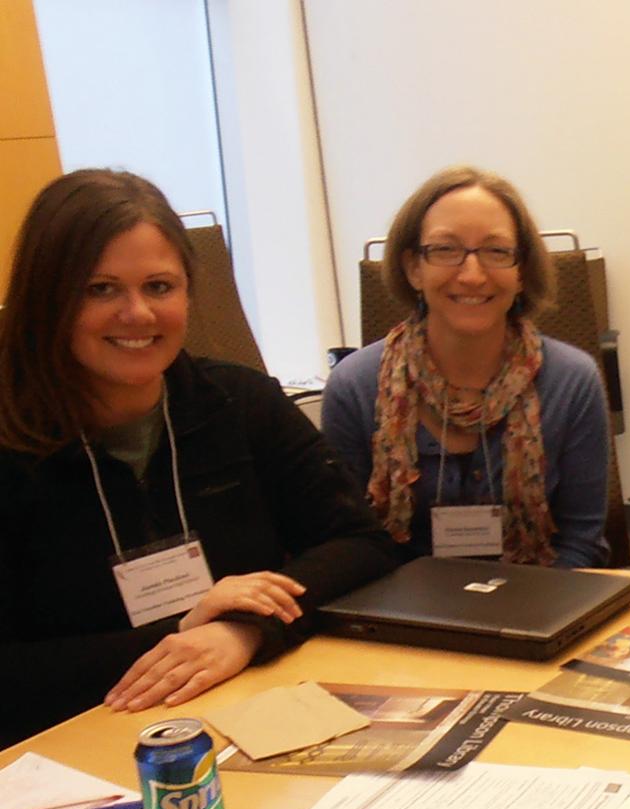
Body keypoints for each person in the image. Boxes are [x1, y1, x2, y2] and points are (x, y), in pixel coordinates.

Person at [0, 170, 401, 746]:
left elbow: (361, 544)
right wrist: (186, 631)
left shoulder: (240, 403)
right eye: (100, 289)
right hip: (73, 755)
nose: (137, 313)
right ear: (46, 299)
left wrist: (245, 629)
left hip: (248, 719)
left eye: (160, 286)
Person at [323, 166, 610, 567]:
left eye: (496, 251)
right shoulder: (354, 386)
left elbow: (582, 541)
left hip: (541, 607)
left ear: (521, 270)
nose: (472, 275)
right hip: (402, 614)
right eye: (445, 249)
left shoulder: (573, 381)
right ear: (413, 268)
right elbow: (346, 544)